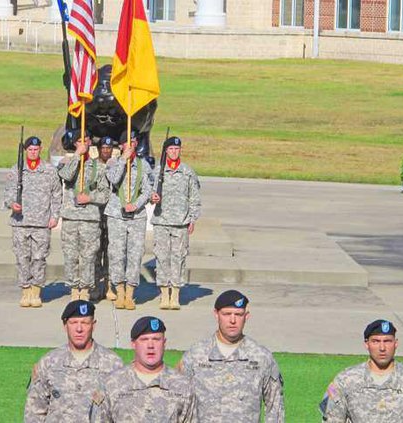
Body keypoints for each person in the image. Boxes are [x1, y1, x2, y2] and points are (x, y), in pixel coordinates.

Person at [179, 290, 285, 422]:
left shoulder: (261, 357)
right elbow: (179, 405)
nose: (233, 320)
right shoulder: (195, 356)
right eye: (227, 314)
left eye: (238, 314)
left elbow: (275, 408)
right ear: (216, 315)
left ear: (246, 316)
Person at [24, 300, 124, 422]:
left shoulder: (113, 365)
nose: (79, 329)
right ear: (65, 326)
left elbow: (121, 413)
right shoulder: (49, 362)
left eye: (85, 323)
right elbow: (34, 412)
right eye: (73, 322)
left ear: (93, 325)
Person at [319, 319, 403, 422]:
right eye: (376, 341)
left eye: (387, 341)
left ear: (396, 343)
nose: (382, 348)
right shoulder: (345, 380)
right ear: (367, 344)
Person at [92, 316, 196, 422]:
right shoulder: (111, 384)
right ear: (133, 344)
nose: (150, 345)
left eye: (156, 339)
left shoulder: (183, 386)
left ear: (164, 343)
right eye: (144, 340)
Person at [3, 135, 62, 308]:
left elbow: (56, 194)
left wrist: (54, 216)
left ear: (40, 150)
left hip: (42, 223)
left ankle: (36, 291)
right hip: (20, 221)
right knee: (22, 258)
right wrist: (11, 204)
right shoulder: (17, 170)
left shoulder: (49, 170)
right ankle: (25, 290)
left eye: (36, 149)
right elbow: (8, 192)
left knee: (39, 258)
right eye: (30, 150)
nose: (33, 152)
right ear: (25, 151)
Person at [58, 130, 110, 302]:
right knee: (71, 255)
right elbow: (65, 176)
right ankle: (74, 290)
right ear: (75, 143)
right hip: (71, 217)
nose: (83, 143)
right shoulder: (69, 163)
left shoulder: (99, 167)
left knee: (88, 257)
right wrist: (77, 155)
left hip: (90, 218)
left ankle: (85, 291)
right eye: (80, 140)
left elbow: (105, 195)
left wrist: (90, 197)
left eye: (86, 140)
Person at [150, 136, 201, 310]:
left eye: (177, 149)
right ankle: (164, 294)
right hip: (162, 221)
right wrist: (152, 197)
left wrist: (193, 218)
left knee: (179, 258)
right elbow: (148, 192)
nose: (174, 152)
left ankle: (176, 295)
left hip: (181, 222)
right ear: (166, 151)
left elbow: (194, 197)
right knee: (162, 257)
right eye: (171, 149)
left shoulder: (187, 172)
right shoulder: (157, 172)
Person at [104, 130, 153, 310]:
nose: (132, 145)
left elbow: (148, 189)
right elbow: (114, 179)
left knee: (135, 254)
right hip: (116, 215)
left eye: (134, 142)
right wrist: (123, 159)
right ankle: (120, 291)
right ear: (122, 145)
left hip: (136, 216)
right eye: (129, 142)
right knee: (116, 254)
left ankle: (131, 294)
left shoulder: (143, 165)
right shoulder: (113, 163)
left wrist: (137, 204)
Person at [92, 136, 115, 301]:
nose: (106, 150)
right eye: (103, 148)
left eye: (109, 148)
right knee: (95, 251)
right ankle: (95, 286)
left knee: (110, 252)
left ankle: (108, 286)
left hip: (112, 215)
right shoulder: (92, 166)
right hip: (96, 214)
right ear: (99, 149)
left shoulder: (117, 166)